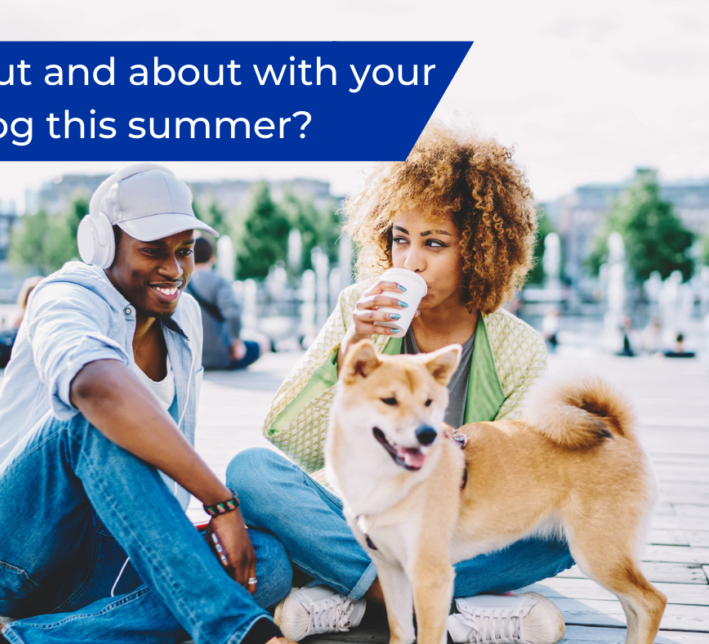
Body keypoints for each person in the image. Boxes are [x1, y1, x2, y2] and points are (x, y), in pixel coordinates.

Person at [226, 123, 572, 644]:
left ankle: (350, 592)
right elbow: (288, 436)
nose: (410, 261)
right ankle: (435, 602)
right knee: (250, 471)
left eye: (435, 243)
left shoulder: (518, 347)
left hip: (454, 529)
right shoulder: (359, 310)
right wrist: (352, 349)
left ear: (480, 250)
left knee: (565, 526)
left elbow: (518, 480)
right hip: (365, 517)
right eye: (400, 238)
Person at [0, 164, 294, 644]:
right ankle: (244, 634)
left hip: (107, 558)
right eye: (153, 250)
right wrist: (219, 501)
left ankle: (21, 639)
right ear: (102, 244)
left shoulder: (185, 314)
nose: (174, 270)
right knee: (89, 421)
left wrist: (186, 537)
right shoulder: (65, 296)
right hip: (11, 553)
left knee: (263, 561)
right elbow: (95, 389)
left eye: (185, 250)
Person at [187, 237, 261, 370]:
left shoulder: (181, 283)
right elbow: (232, 313)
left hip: (191, 359)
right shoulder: (219, 281)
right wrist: (237, 342)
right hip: (221, 356)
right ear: (213, 256)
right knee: (263, 342)